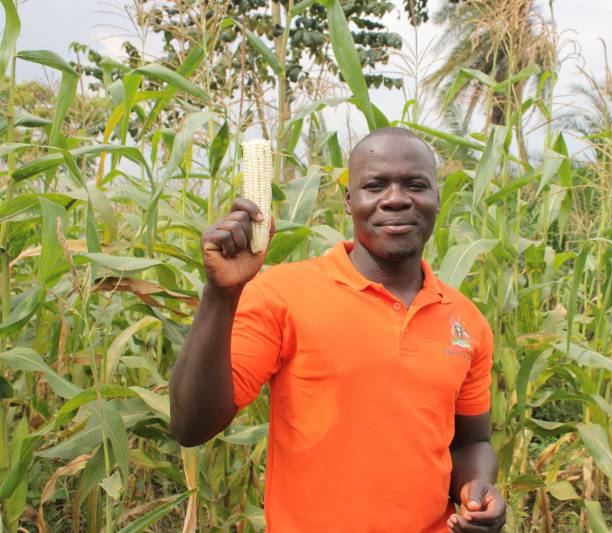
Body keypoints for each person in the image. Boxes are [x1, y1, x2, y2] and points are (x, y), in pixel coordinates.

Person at [169, 127, 506, 532]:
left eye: (415, 185)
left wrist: (477, 488)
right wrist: (220, 294)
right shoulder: (282, 294)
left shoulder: (466, 321)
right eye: (375, 185)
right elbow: (191, 426)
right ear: (349, 201)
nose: (396, 198)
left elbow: (472, 442)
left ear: (436, 198)